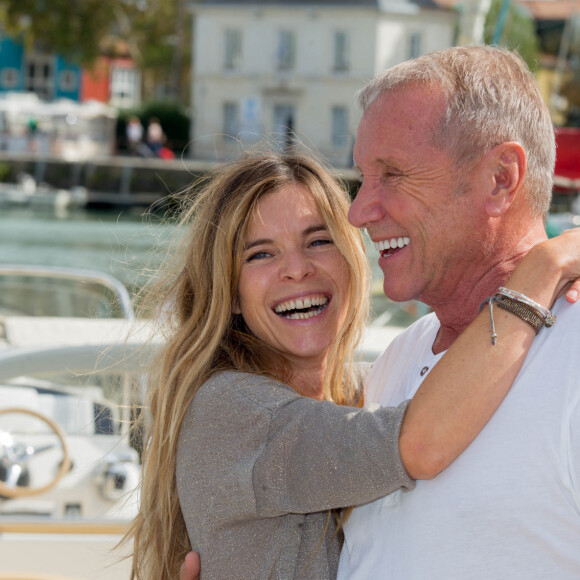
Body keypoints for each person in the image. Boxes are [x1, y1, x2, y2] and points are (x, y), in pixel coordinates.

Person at [130, 145, 580, 579]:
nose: (297, 269)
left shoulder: (370, 385)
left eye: (318, 241)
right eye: (261, 253)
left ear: (350, 259)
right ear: (227, 290)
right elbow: (416, 444)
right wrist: (545, 265)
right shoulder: (235, 410)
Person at [334, 46, 580, 578]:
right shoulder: (397, 358)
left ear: (500, 178)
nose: (358, 211)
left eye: (393, 174)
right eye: (363, 177)